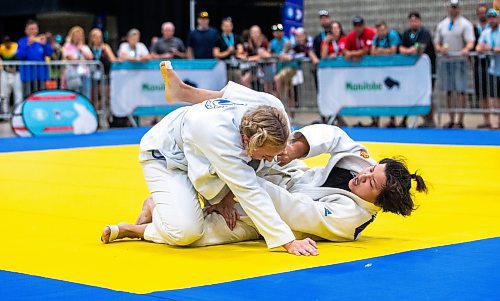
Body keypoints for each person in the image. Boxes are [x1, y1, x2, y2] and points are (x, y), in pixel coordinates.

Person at [102, 113, 428, 249]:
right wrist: (296, 148)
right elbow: (334, 136)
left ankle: (142, 224)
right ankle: (170, 193)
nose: (364, 175)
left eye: (371, 183)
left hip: (275, 209)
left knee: (204, 234)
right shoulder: (368, 168)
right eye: (373, 170)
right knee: (244, 151)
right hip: (279, 177)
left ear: (378, 203)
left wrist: (241, 188)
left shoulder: (349, 220)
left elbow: (293, 209)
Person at [102, 61, 318, 256]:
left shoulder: (272, 108)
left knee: (263, 175)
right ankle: (151, 212)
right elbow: (249, 191)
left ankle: (182, 92)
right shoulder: (217, 135)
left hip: (199, 145)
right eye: (266, 154)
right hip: (167, 155)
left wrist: (184, 92)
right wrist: (287, 241)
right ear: (247, 142)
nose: (272, 159)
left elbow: (224, 95)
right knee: (186, 233)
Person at [434, 0, 475, 128]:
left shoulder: (465, 24)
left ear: (459, 8)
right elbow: (436, 42)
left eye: (455, 7)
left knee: (461, 90)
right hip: (446, 62)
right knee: (449, 91)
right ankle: (451, 119)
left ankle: (460, 120)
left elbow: (470, 41)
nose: (453, 9)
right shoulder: (442, 24)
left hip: (460, 61)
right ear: (449, 8)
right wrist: (440, 49)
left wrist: (466, 49)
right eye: (452, 7)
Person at [400, 12, 437, 128]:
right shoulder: (407, 33)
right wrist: (410, 50)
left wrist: (410, 49)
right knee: (410, 94)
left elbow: (421, 48)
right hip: (412, 73)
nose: (413, 23)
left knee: (427, 94)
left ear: (419, 21)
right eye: (411, 21)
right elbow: (401, 48)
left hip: (427, 72)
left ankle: (430, 120)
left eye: (415, 20)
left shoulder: (424, 33)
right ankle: (405, 119)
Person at [371, 20, 401, 128]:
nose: (381, 32)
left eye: (383, 30)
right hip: (380, 71)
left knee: (391, 95)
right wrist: (385, 51)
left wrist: (380, 51)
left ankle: (393, 120)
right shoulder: (376, 38)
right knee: (378, 95)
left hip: (393, 71)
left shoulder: (392, 35)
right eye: (379, 30)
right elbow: (372, 52)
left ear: (386, 29)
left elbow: (393, 51)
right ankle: (376, 120)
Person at [476, 9, 500, 129]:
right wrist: (484, 48)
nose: (491, 20)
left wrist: (493, 49)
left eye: (494, 17)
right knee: (493, 97)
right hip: (493, 69)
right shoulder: (486, 32)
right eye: (489, 18)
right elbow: (479, 46)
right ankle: (495, 122)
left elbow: (495, 48)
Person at [16, 19, 53, 96]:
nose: (33, 31)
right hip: (27, 76)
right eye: (30, 29)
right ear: (26, 30)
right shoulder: (22, 42)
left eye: (35, 29)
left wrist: (45, 44)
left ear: (37, 30)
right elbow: (20, 56)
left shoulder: (41, 41)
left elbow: (49, 54)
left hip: (41, 75)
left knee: (42, 96)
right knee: (28, 96)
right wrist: (27, 45)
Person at [473, 4, 491, 129]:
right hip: (479, 63)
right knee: (483, 93)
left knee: (495, 93)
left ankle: (497, 119)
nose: (482, 15)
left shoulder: (493, 28)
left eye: (484, 12)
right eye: (480, 12)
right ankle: (487, 120)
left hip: (493, 62)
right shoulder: (474, 29)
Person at [62, 26, 93, 98]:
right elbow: (71, 58)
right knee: (75, 95)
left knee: (86, 95)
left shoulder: (84, 47)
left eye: (80, 35)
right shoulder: (67, 46)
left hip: (85, 74)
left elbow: (90, 57)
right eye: (76, 35)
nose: (78, 37)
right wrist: (80, 59)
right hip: (73, 75)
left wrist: (81, 49)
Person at [88, 28, 116, 108]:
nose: (97, 39)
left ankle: (102, 111)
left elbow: (113, 59)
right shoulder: (88, 48)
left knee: (105, 96)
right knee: (93, 96)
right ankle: (95, 112)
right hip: (92, 76)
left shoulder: (105, 47)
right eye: (95, 36)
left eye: (99, 36)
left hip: (104, 75)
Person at [0, 36, 22, 114]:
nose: (7, 43)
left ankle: (17, 112)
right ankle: (5, 112)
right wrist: (7, 69)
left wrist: (15, 69)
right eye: (5, 42)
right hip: (6, 73)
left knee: (18, 93)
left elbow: (19, 58)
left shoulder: (15, 46)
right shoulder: (1, 48)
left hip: (16, 73)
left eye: (8, 41)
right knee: (4, 94)